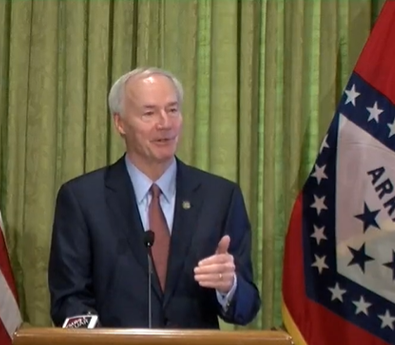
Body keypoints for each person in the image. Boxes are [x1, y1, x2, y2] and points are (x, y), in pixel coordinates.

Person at [47, 67, 261, 329]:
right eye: (149, 113)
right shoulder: (82, 200)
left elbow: (247, 306)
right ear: (120, 123)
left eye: (172, 110)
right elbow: (68, 301)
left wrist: (229, 286)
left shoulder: (220, 197)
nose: (165, 123)